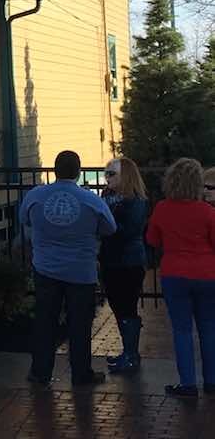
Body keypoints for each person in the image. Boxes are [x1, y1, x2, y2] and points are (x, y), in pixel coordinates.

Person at [19, 150, 116, 388]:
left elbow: (25, 219)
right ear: (79, 171)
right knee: (80, 324)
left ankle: (40, 372)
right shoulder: (90, 200)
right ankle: (81, 374)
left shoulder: (36, 196)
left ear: (55, 170)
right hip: (80, 271)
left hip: (45, 269)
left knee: (45, 321)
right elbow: (110, 227)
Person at [146, 157, 215, 398]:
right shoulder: (207, 212)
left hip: (174, 273)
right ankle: (212, 380)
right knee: (209, 329)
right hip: (208, 274)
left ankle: (188, 384)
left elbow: (152, 240)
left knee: (182, 330)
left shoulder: (163, 208)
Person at [100, 157, 149, 375]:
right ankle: (127, 351)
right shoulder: (107, 196)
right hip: (110, 258)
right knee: (116, 304)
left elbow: (129, 230)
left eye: (112, 174)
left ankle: (131, 355)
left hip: (129, 260)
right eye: (106, 173)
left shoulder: (136, 200)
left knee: (127, 305)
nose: (107, 178)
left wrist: (106, 223)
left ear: (125, 176)